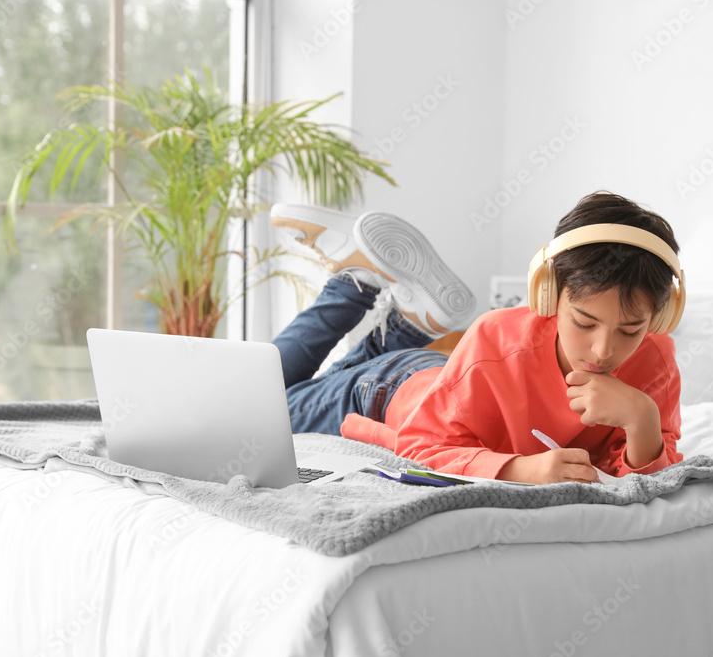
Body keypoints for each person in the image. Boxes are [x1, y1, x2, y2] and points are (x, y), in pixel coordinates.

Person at [271, 191, 684, 485]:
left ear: (660, 317)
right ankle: (352, 287)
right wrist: (520, 469)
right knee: (269, 402)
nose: (603, 351)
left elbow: (646, 478)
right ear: (549, 294)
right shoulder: (495, 336)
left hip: (446, 374)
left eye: (630, 330)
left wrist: (642, 418)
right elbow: (423, 442)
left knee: (284, 389)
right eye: (584, 322)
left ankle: (405, 327)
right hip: (387, 391)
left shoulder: (656, 358)